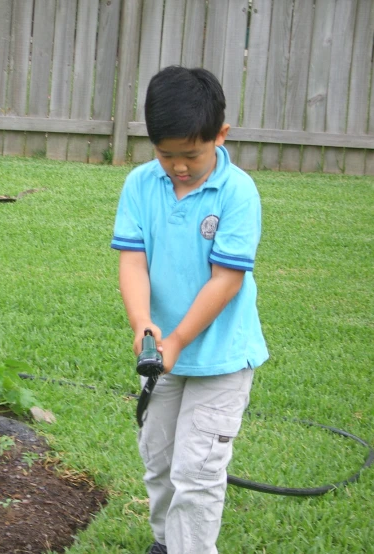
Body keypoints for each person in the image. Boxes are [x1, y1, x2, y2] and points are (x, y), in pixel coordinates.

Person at [111, 66, 269, 554]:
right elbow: (133, 260)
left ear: (220, 135)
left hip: (220, 359)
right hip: (163, 358)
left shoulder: (237, 192)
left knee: (196, 472)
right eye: (166, 155)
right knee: (158, 460)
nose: (178, 167)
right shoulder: (140, 184)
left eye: (191, 155)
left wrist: (179, 340)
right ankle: (165, 542)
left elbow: (227, 280)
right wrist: (144, 323)